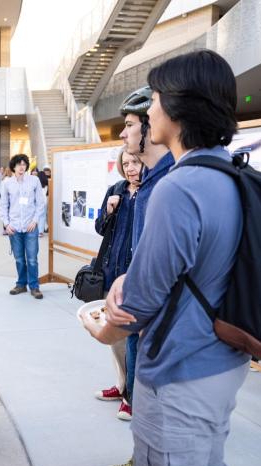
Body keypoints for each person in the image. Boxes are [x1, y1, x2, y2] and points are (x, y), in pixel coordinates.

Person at [82, 50, 250, 466]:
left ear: (178, 107)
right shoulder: (230, 173)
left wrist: (104, 329)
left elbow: (142, 301)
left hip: (180, 372)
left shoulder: (178, 188)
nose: (149, 108)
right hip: (221, 362)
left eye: (155, 98)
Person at [98, 85, 176, 466]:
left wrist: (116, 321)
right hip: (154, 324)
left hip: (169, 329)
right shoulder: (151, 183)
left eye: (129, 124)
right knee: (148, 405)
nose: (124, 134)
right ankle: (142, 461)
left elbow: (165, 270)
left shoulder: (169, 183)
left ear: (152, 125)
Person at [93, 149, 141, 422]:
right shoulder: (117, 190)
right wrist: (109, 210)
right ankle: (122, 385)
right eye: (126, 164)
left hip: (135, 277)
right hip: (112, 274)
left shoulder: (149, 192)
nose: (131, 168)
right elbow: (101, 228)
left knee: (132, 338)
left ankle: (131, 397)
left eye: (135, 162)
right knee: (116, 341)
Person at [0, 154, 45, 299]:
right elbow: (3, 205)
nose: (21, 167)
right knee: (19, 258)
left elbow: (40, 203)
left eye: (24, 164)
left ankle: (34, 286)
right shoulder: (7, 183)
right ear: (13, 167)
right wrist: (6, 225)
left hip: (30, 226)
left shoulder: (34, 180)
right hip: (14, 227)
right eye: (19, 164)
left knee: (32, 259)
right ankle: (21, 284)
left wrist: (35, 221)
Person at [37, 166, 51, 236]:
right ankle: (41, 231)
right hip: (44, 202)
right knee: (43, 216)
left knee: (38, 216)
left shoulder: (36, 184)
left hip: (37, 203)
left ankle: (39, 230)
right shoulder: (46, 185)